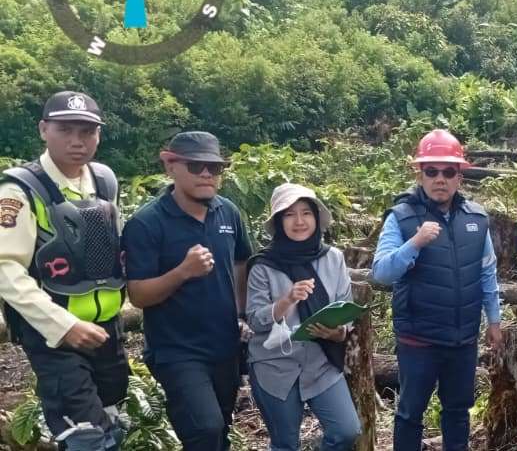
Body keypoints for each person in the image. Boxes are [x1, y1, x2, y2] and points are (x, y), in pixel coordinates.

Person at [0, 91, 129, 451]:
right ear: (44, 129)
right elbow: (5, 269)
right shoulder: (21, 188)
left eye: (87, 131)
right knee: (85, 436)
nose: (77, 141)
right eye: (65, 129)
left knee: (111, 423)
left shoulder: (104, 181)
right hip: (54, 335)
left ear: (99, 135)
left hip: (107, 328)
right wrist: (63, 326)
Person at [371, 129, 503, 451]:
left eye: (448, 171)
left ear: (460, 175)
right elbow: (381, 272)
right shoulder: (401, 218)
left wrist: (495, 321)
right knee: (409, 414)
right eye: (431, 171)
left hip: (463, 339)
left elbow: (487, 272)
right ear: (419, 174)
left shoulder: (477, 219)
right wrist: (414, 243)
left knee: (458, 412)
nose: (439, 179)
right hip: (419, 340)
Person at [123, 131, 255, 451]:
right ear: (172, 167)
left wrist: (240, 313)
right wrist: (183, 272)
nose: (207, 174)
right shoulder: (147, 223)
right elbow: (138, 295)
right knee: (205, 430)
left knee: (221, 428)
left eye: (215, 167)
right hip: (177, 350)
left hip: (224, 345)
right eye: (196, 166)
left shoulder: (228, 212)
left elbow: (241, 262)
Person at [246, 184, 361, 451]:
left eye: (306, 213)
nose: (299, 221)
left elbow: (346, 308)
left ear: (317, 218)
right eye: (289, 214)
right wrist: (286, 300)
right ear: (278, 222)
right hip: (275, 367)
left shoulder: (333, 258)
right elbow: (255, 319)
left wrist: (338, 332)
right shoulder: (263, 265)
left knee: (346, 431)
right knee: (285, 442)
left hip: (321, 364)